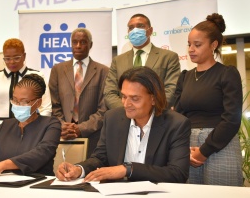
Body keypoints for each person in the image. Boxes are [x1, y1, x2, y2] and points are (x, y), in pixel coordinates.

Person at [56, 67, 191, 183]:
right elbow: (100, 158)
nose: (126, 104)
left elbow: (178, 173)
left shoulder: (176, 124)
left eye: (135, 98)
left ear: (154, 98)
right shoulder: (112, 118)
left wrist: (128, 169)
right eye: (124, 96)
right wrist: (79, 169)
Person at [174, 13, 243, 186]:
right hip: (188, 147)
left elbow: (232, 119)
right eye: (189, 44)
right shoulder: (185, 77)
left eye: (197, 45)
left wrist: (204, 150)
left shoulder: (227, 73)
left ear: (213, 45)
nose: (191, 49)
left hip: (220, 144)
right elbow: (177, 114)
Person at [49, 28, 109, 157]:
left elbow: (104, 109)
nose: (78, 46)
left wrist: (81, 128)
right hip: (63, 136)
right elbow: (54, 105)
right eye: (74, 42)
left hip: (93, 138)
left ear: (90, 45)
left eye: (83, 42)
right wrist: (63, 126)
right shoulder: (57, 70)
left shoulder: (103, 71)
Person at [104, 13, 180, 109]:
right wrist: (128, 110)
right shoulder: (117, 61)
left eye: (140, 26)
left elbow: (172, 89)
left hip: (157, 116)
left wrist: (146, 111)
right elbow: (109, 93)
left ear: (150, 30)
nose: (135, 30)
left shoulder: (168, 57)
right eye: (131, 28)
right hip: (124, 117)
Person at [0, 38, 52, 137]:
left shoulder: (36, 75)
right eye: (7, 58)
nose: (12, 62)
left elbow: (46, 108)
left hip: (30, 133)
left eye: (16, 58)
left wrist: (35, 130)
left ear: (24, 56)